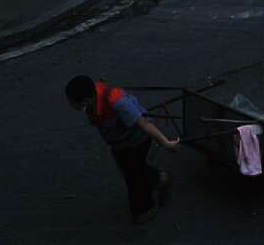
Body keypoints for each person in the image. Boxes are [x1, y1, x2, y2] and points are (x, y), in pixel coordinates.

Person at [66, 74, 180, 225]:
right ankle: (161, 178)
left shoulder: (118, 102)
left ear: (85, 100)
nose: (71, 105)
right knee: (132, 169)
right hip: (120, 142)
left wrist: (167, 144)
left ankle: (145, 210)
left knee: (133, 178)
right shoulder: (92, 98)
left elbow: (144, 125)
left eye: (72, 102)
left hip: (137, 140)